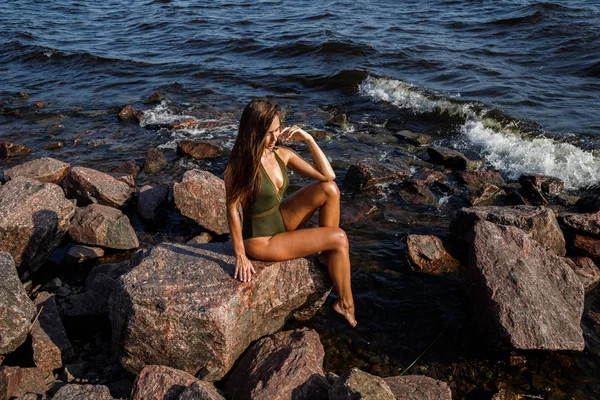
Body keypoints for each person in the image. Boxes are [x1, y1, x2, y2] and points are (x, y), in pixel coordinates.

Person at [224, 98, 357, 327]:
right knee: (339, 237)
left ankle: (325, 255)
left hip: (279, 219)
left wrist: (308, 139)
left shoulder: (280, 153)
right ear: (253, 132)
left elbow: (328, 176)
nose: (275, 138)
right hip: (261, 240)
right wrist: (240, 254)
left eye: (277, 130)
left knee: (330, 190)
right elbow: (232, 208)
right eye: (269, 133)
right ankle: (345, 304)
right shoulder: (239, 167)